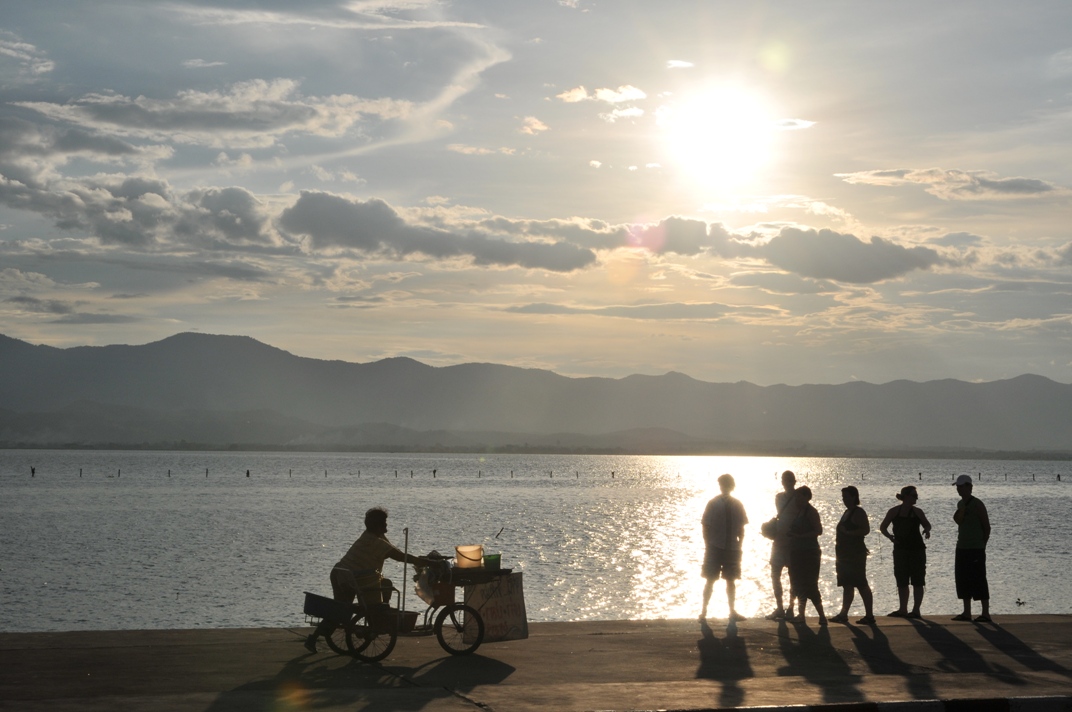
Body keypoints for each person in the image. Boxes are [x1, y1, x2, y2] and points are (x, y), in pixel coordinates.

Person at [305, 506, 431, 653]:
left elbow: (393, 550)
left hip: (346, 573)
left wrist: (421, 560)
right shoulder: (374, 541)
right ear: (378, 525)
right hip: (348, 577)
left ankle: (373, 615)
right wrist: (429, 563)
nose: (386, 525)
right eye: (384, 522)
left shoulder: (374, 536)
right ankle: (375, 618)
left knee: (344, 607)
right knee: (341, 609)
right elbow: (399, 556)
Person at [700, 474, 748, 621]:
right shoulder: (715, 503)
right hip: (718, 546)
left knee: (727, 579)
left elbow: (740, 528)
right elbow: (706, 526)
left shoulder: (731, 504)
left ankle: (725, 611)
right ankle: (704, 611)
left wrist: (739, 545)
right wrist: (708, 544)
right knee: (715, 579)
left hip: (727, 547)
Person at [879, 485, 931, 619]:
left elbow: (927, 524)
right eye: (914, 495)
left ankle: (916, 610)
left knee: (918, 580)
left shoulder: (918, 512)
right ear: (906, 497)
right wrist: (890, 537)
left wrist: (927, 530)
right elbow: (883, 527)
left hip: (917, 550)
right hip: (900, 550)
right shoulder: (894, 511)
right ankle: (903, 610)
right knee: (901, 580)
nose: (917, 497)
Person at [830, 486, 875, 625]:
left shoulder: (858, 512)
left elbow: (865, 530)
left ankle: (869, 615)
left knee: (861, 583)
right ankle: (844, 614)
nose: (844, 500)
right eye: (843, 497)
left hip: (855, 554)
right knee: (847, 584)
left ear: (854, 497)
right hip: (844, 555)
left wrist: (849, 533)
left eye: (847, 497)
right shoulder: (846, 512)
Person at [951, 475, 991, 622]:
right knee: (962, 578)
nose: (959, 489)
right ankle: (966, 612)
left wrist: (982, 544)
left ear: (969, 487)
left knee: (979, 578)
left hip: (976, 547)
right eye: (958, 486)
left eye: (961, 486)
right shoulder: (960, 504)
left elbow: (986, 526)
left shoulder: (977, 504)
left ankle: (985, 613)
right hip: (962, 546)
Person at [784, 486, 826, 624]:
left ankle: (822, 616)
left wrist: (800, 536)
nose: (796, 499)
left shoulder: (811, 512)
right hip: (797, 552)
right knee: (798, 584)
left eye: (799, 497)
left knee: (810, 584)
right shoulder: (799, 512)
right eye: (795, 497)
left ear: (806, 497)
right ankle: (801, 615)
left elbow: (818, 531)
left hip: (809, 552)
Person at [764, 470, 798, 620]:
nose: (786, 483)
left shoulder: (783, 498)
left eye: (787, 480)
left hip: (788, 542)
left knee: (787, 577)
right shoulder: (788, 497)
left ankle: (787, 608)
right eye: (786, 480)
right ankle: (784, 608)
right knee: (782, 576)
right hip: (784, 541)